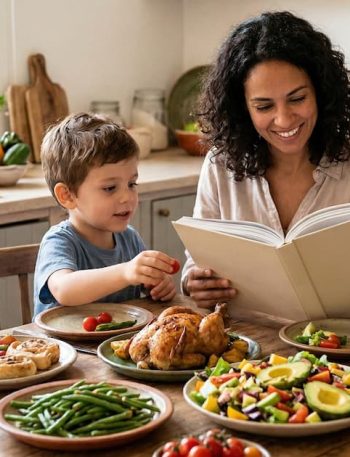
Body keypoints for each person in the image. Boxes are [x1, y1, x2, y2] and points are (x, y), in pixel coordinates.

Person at [181, 11, 350, 309]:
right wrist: (193, 282)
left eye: (297, 99)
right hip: (246, 344)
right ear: (242, 108)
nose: (283, 119)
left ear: (321, 94)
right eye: (264, 106)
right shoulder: (220, 166)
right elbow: (196, 264)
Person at [34, 113, 177, 316]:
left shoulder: (130, 239)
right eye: (110, 188)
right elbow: (64, 289)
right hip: (65, 348)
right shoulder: (59, 241)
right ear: (67, 195)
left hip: (117, 345)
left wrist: (159, 286)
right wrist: (126, 272)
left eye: (131, 184)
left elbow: (145, 290)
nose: (126, 197)